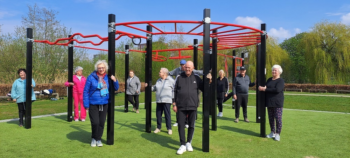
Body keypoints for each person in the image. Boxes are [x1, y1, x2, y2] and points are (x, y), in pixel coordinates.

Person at [173, 61, 210, 155]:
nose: (187, 69)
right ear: (184, 67)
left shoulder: (197, 78)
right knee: (181, 125)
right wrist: (174, 104)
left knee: (191, 125)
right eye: (186, 67)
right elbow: (174, 91)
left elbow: (205, 88)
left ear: (193, 68)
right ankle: (182, 144)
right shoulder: (179, 77)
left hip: (192, 105)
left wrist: (209, 80)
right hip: (181, 105)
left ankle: (189, 142)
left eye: (189, 67)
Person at [83, 60, 119, 147]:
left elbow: (116, 88)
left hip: (104, 103)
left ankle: (98, 139)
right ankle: (94, 138)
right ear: (97, 69)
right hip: (93, 103)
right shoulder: (91, 77)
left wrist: (115, 80)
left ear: (105, 68)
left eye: (102, 67)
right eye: (99, 68)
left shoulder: (108, 77)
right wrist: (86, 104)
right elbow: (85, 91)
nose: (101, 69)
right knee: (95, 122)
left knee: (102, 122)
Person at [169, 59, 203, 127]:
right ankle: (178, 121)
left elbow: (199, 72)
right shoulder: (177, 70)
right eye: (182, 65)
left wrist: (207, 72)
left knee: (190, 104)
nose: (183, 66)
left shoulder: (191, 71)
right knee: (179, 107)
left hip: (190, 86)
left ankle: (187, 122)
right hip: (180, 87)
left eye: (184, 65)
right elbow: (169, 74)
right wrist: (173, 81)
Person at [258, 65, 285, 141]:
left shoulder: (280, 81)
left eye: (275, 70)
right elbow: (265, 87)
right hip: (269, 103)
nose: (273, 72)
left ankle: (277, 134)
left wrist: (265, 89)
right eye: (273, 70)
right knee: (271, 119)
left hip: (277, 103)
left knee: (278, 119)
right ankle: (272, 132)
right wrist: (261, 88)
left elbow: (277, 90)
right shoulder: (269, 79)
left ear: (279, 72)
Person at [145, 68, 174, 135]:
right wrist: (148, 87)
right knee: (158, 115)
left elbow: (174, 90)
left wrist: (173, 99)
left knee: (167, 115)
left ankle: (169, 128)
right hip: (159, 101)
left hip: (167, 101)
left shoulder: (171, 80)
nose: (159, 73)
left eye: (160, 72)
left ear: (164, 73)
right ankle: (158, 128)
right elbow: (154, 88)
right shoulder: (158, 80)